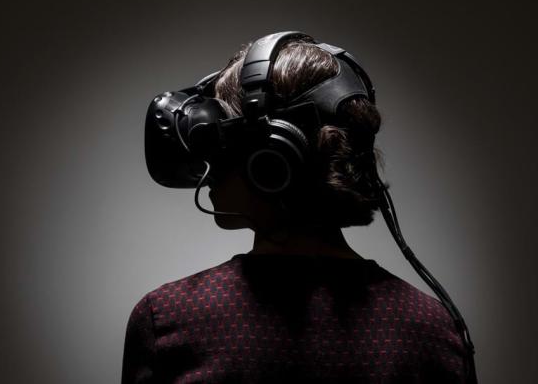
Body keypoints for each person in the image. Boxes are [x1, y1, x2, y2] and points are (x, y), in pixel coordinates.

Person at [122, 36, 469, 383]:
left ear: (271, 160)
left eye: (220, 138)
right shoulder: (435, 331)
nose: (210, 159)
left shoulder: (166, 321)